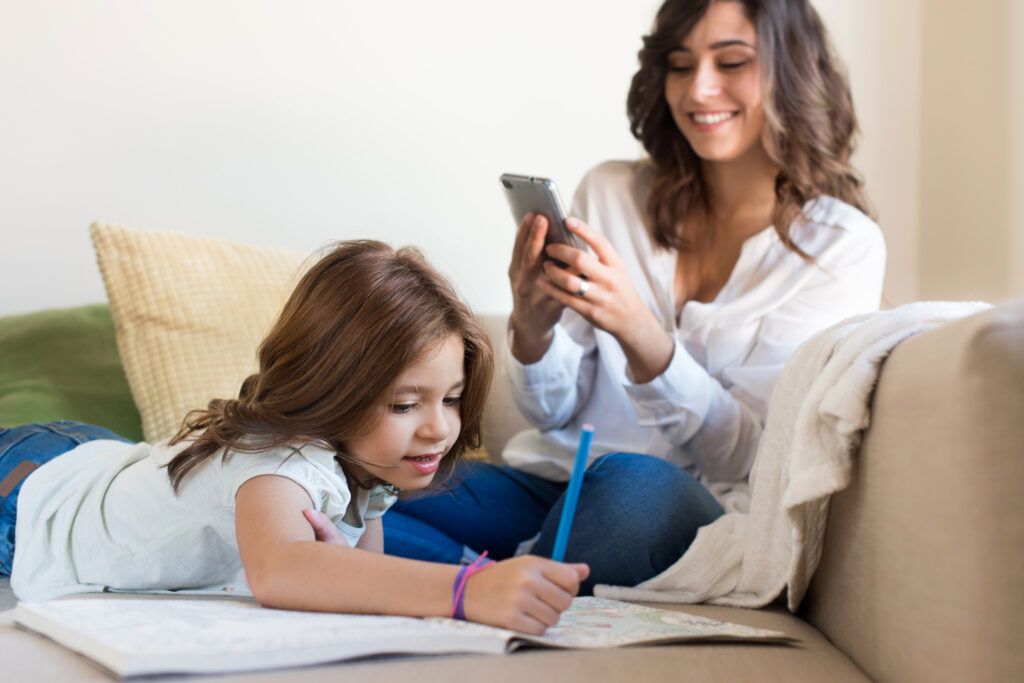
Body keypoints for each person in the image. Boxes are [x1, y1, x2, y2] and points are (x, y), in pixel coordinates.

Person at [381, 0, 886, 593]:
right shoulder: (612, 191)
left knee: (626, 490)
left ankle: (479, 578)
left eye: (731, 62)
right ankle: (503, 582)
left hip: (678, 503)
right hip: (554, 483)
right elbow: (551, 413)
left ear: (791, 70)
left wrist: (642, 335)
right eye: (680, 64)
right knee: (369, 490)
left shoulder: (839, 246)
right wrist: (533, 329)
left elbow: (751, 455)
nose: (700, 89)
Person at [1, 241, 588, 635]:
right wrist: (466, 591)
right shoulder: (283, 461)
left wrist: (344, 567)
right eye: (406, 404)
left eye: (452, 399)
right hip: (30, 492)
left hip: (95, 463)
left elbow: (363, 585)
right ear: (331, 385)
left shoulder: (366, 468)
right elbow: (281, 570)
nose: (439, 426)